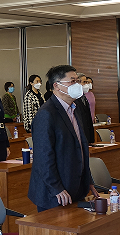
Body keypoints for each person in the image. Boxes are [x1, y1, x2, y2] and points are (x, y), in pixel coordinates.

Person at [27, 65, 95, 211]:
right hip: (55, 193)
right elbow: (43, 157)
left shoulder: (75, 109)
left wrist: (88, 180)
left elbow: (80, 148)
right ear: (56, 86)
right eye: (72, 81)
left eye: (78, 81)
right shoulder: (46, 114)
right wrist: (56, 187)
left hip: (75, 186)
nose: (77, 85)